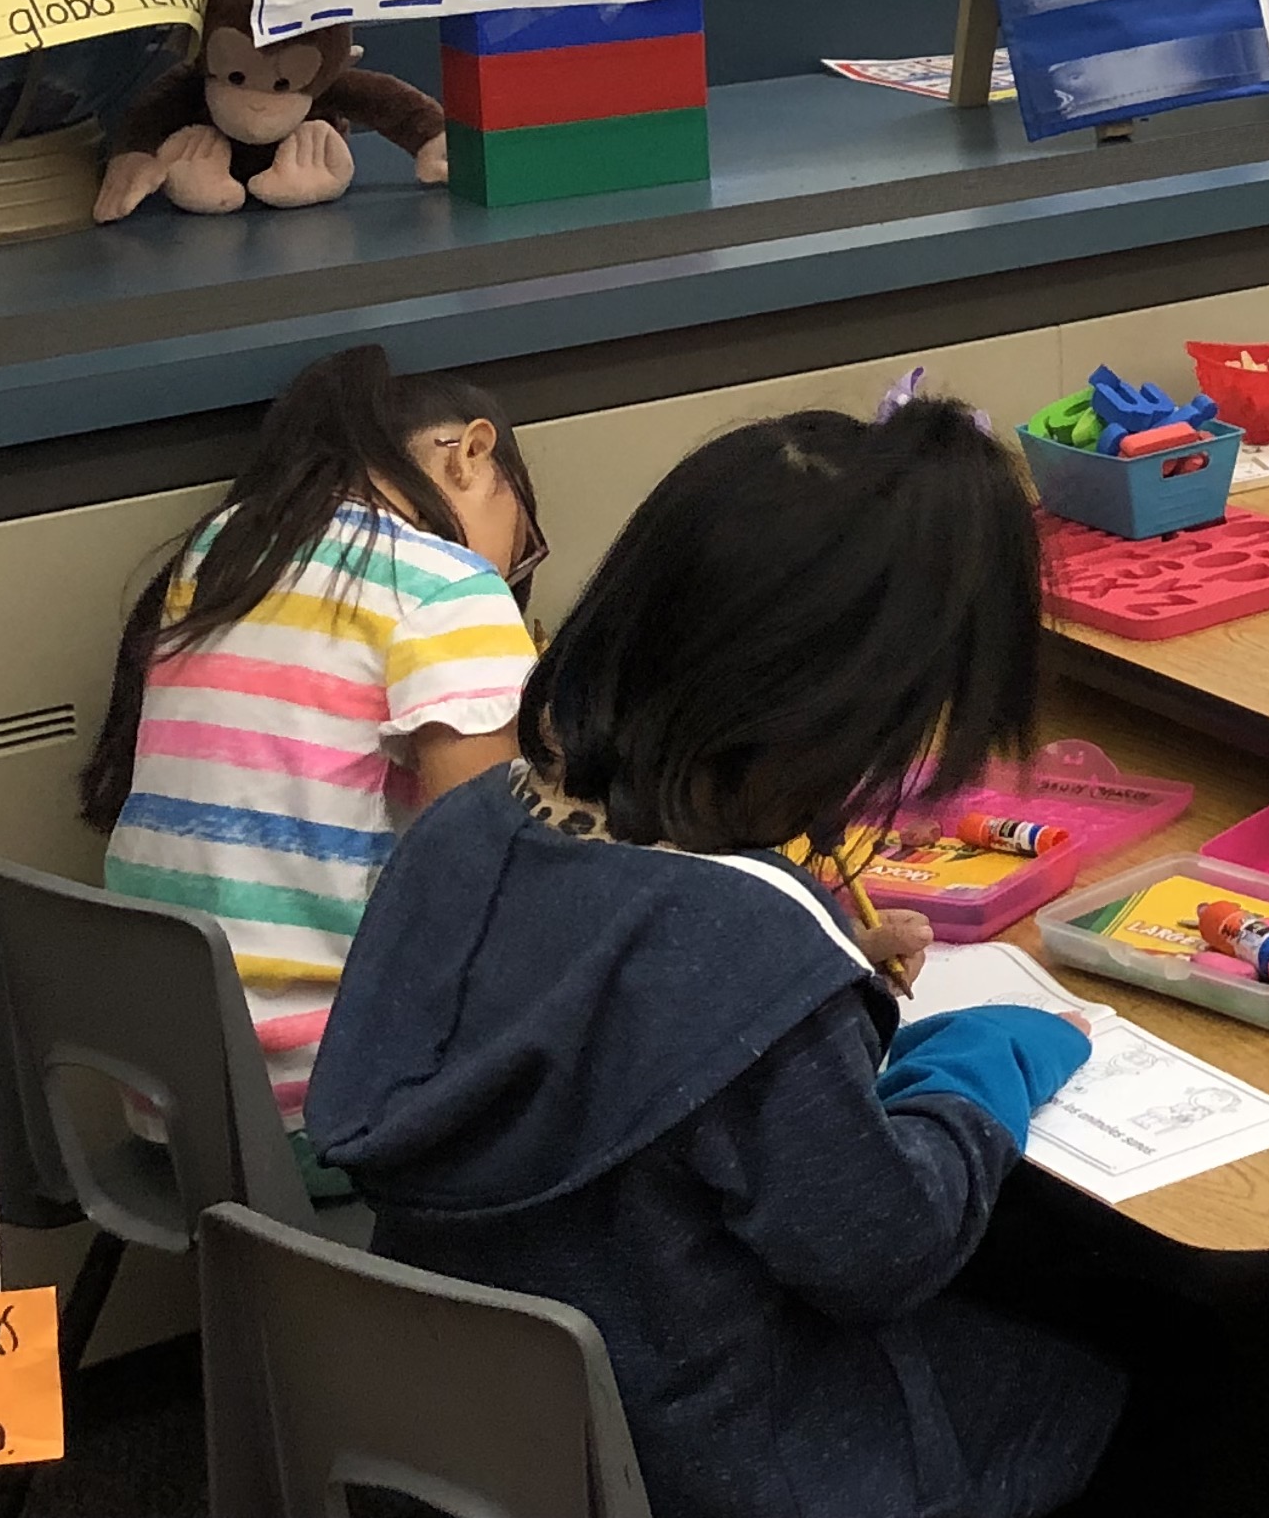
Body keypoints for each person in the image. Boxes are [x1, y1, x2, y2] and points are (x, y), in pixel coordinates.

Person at [307, 399, 1124, 1518]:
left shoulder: (463, 830)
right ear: (839, 719)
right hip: (704, 1464)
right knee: (1102, 1380)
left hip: (455, 1441)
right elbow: (885, 1249)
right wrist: (983, 1065)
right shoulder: (744, 957)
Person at [85, 346, 540, 1147]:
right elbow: (492, 882)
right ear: (472, 453)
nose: (509, 571)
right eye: (523, 546)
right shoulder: (446, 585)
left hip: (170, 1103)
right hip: (327, 1112)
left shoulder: (225, 550)